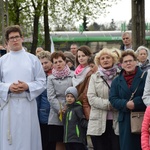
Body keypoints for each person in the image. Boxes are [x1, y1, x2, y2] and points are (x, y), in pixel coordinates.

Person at [0, 25, 46, 150]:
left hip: (27, 105)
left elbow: (42, 81)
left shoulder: (32, 59)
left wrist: (27, 86)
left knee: (28, 139)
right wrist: (8, 87)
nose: (14, 40)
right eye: (11, 38)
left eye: (17, 37)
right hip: (8, 106)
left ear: (22, 38)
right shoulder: (2, 61)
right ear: (7, 42)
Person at [109, 50, 147, 150]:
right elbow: (113, 99)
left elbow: (148, 95)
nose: (128, 63)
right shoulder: (117, 80)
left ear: (136, 62)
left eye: (130, 60)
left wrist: (136, 103)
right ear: (121, 64)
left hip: (142, 117)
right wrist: (125, 104)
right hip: (125, 119)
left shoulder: (145, 76)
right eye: (125, 61)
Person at [87, 48, 120, 150]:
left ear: (113, 59)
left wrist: (117, 103)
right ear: (99, 61)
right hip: (98, 122)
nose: (105, 60)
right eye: (102, 58)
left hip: (117, 121)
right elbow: (91, 98)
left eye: (108, 58)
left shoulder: (120, 75)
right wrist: (110, 104)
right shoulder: (94, 77)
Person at [47, 51, 74, 150]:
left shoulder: (73, 75)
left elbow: (76, 92)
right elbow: (51, 97)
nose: (58, 64)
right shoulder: (50, 78)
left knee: (72, 141)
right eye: (55, 62)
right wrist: (60, 109)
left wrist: (68, 107)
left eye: (60, 61)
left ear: (65, 62)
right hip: (56, 113)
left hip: (72, 110)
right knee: (59, 141)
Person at [37, 51, 52, 150]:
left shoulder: (54, 75)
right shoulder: (39, 78)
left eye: (46, 62)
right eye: (41, 64)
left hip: (54, 113)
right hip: (43, 113)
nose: (44, 65)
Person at [72, 45, 93, 120]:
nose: (81, 58)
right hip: (77, 104)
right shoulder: (76, 72)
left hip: (86, 104)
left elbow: (86, 91)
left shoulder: (91, 71)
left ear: (89, 56)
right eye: (79, 56)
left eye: (83, 56)